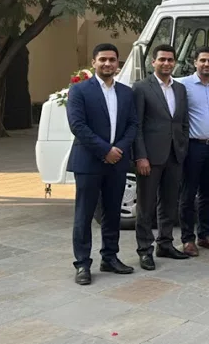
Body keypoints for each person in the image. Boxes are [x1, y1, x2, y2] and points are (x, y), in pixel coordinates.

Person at [67, 43, 138, 285]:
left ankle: (110, 257)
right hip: (88, 161)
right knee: (84, 214)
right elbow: (78, 126)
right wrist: (105, 150)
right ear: (94, 62)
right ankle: (82, 264)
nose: (108, 63)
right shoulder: (79, 91)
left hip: (117, 162)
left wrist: (118, 150)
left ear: (118, 63)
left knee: (112, 213)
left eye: (112, 60)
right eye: (103, 59)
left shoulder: (126, 93)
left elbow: (133, 124)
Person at [133, 44, 191, 270]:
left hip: (175, 155)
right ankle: (144, 249)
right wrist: (140, 156)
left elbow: (183, 121)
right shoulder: (141, 88)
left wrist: (182, 146)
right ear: (153, 62)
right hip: (150, 157)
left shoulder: (180, 88)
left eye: (170, 60)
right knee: (146, 206)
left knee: (169, 203)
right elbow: (137, 125)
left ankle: (165, 244)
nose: (166, 63)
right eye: (162, 59)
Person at [178, 47, 209, 256]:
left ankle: (205, 235)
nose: (207, 64)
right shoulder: (183, 86)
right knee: (188, 194)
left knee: (208, 193)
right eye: (203, 60)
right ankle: (188, 239)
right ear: (195, 62)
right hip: (193, 146)